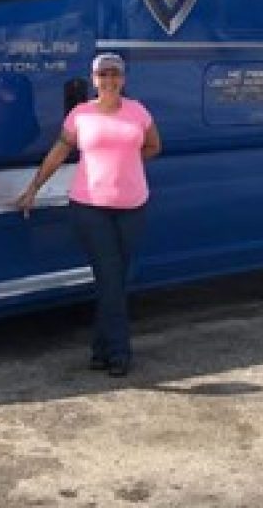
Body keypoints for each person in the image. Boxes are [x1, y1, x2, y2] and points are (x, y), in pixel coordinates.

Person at [16, 52, 161, 377]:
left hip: (132, 207)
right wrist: (34, 187)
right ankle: (119, 352)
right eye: (103, 75)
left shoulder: (138, 112)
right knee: (111, 277)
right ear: (94, 80)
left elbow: (154, 146)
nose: (109, 81)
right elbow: (59, 152)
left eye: (115, 75)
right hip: (90, 207)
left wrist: (127, 166)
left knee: (114, 281)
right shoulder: (80, 115)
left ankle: (99, 348)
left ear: (123, 79)